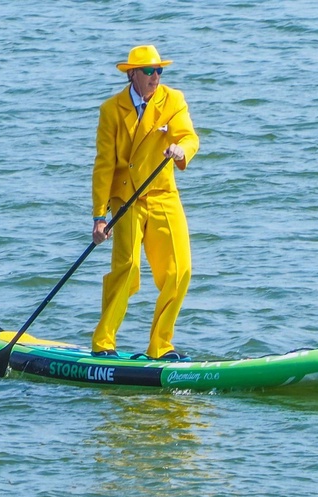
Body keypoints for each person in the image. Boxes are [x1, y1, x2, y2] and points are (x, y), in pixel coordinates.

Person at [91, 44, 199, 361]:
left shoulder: (173, 100)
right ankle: (103, 343)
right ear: (133, 74)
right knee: (128, 269)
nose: (155, 77)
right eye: (149, 71)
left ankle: (161, 346)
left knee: (180, 270)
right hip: (125, 197)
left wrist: (182, 151)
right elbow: (103, 166)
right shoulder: (111, 110)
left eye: (159, 71)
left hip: (162, 193)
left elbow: (189, 136)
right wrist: (99, 216)